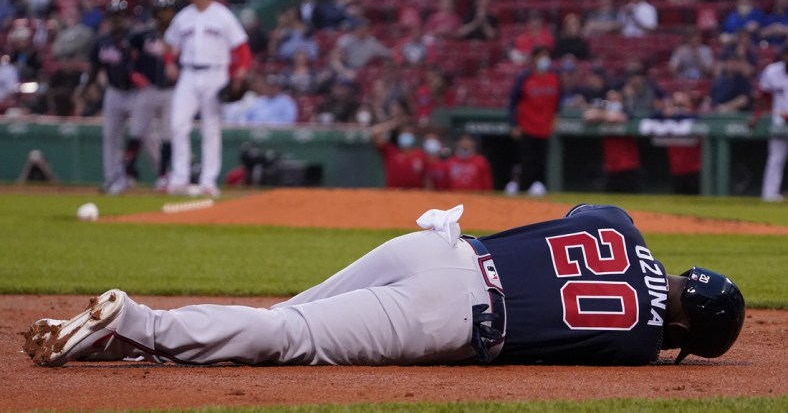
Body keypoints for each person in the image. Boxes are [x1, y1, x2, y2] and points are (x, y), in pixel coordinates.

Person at [23, 203, 745, 367]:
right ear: (682, 333)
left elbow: (583, 220)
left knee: (279, 319)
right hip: (453, 314)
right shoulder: (641, 341)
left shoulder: (621, 228)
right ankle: (141, 324)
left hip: (435, 247)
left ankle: (130, 347)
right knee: (289, 340)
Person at [163, 0, 252, 198]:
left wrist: (240, 74)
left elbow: (242, 49)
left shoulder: (222, 16)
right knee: (177, 125)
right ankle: (179, 178)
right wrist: (169, 63)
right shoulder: (183, 17)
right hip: (189, 74)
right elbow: (169, 45)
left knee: (211, 129)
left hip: (215, 74)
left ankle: (208, 182)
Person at [81, 0, 137, 195]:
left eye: (120, 15)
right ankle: (112, 179)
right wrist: (86, 87)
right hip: (114, 91)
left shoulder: (135, 38)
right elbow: (95, 67)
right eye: (114, 16)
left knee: (146, 136)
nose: (117, 19)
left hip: (136, 93)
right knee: (110, 136)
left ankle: (164, 177)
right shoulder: (102, 41)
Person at [123, 0, 178, 192]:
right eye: (163, 11)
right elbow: (126, 54)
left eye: (169, 11)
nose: (166, 15)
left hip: (171, 90)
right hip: (149, 89)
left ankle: (163, 176)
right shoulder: (144, 33)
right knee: (137, 131)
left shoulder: (180, 33)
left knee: (167, 134)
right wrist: (133, 73)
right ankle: (127, 173)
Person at [508, 46, 561, 196]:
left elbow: (557, 103)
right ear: (534, 58)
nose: (545, 59)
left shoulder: (554, 78)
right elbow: (512, 102)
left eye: (546, 56)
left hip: (544, 126)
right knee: (526, 160)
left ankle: (538, 186)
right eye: (541, 56)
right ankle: (522, 188)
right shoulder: (524, 78)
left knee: (541, 160)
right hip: (527, 126)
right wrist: (514, 124)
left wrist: (554, 120)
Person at [583, 89, 643, 193]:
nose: (612, 101)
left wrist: (605, 115)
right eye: (610, 99)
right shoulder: (603, 111)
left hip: (628, 167)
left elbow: (617, 118)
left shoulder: (626, 110)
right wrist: (605, 113)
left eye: (615, 99)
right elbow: (588, 116)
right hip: (611, 167)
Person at [753, 46, 788, 202]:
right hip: (779, 120)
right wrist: (757, 116)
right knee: (776, 158)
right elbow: (763, 96)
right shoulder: (772, 71)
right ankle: (769, 196)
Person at [652, 91, 702, 195]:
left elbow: (696, 118)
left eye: (681, 105)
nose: (678, 109)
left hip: (694, 168)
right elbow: (653, 115)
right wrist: (667, 113)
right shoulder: (666, 117)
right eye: (676, 105)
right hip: (675, 168)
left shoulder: (694, 117)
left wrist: (678, 112)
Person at [372, 118, 427, 188]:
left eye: (409, 133)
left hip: (415, 195)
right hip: (394, 194)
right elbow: (375, 133)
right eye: (404, 133)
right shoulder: (391, 151)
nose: (406, 135)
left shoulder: (420, 154)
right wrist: (392, 124)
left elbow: (426, 177)